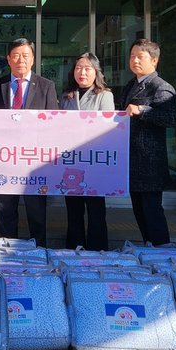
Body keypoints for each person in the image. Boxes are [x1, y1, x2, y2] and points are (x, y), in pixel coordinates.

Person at [0, 37, 59, 247]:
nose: (21, 60)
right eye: (16, 55)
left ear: (33, 59)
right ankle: (6, 250)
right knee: (5, 212)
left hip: (33, 162)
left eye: (25, 55)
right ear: (8, 59)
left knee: (37, 213)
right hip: (4, 160)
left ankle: (39, 251)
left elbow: (53, 124)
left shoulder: (46, 86)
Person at [121, 39, 176, 246]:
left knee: (152, 211)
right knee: (139, 210)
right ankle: (150, 249)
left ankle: (162, 251)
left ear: (154, 60)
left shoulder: (161, 87)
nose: (135, 60)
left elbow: (171, 118)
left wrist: (142, 110)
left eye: (140, 57)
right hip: (133, 161)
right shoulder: (131, 85)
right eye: (132, 56)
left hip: (150, 163)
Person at [60, 51, 115, 250]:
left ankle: (97, 249)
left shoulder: (104, 95)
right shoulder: (66, 96)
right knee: (73, 210)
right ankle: (74, 247)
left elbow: (108, 129)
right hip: (72, 162)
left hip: (94, 161)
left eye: (87, 68)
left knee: (96, 209)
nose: (82, 72)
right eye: (78, 68)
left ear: (96, 71)